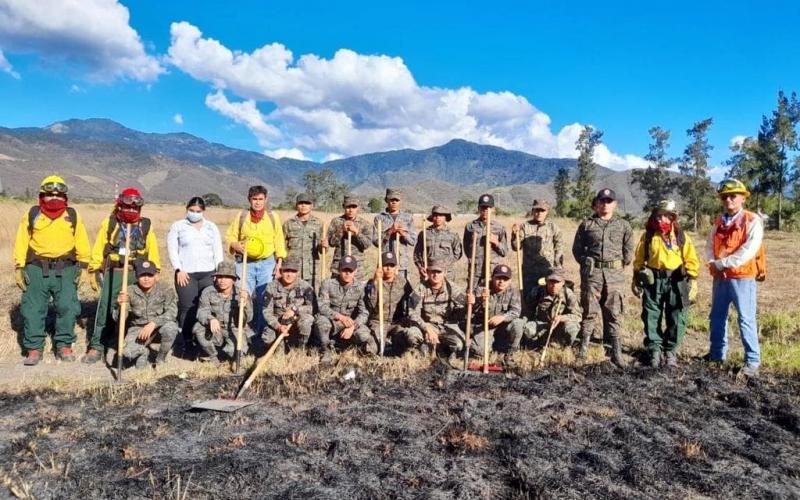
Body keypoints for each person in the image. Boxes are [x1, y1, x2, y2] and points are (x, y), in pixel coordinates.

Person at [13, 175, 91, 365]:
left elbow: (81, 241)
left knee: (67, 307)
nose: (54, 198)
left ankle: (64, 345)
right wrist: (19, 266)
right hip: (36, 268)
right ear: (41, 196)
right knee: (33, 309)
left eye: (58, 195)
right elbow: (22, 241)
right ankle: (34, 348)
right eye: (49, 194)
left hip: (66, 269)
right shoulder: (32, 214)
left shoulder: (72, 215)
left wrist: (84, 266)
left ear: (65, 197)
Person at [86, 187, 160, 364]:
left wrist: (156, 273)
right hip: (114, 272)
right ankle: (96, 346)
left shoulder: (145, 226)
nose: (131, 210)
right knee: (105, 309)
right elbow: (98, 248)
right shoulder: (110, 223)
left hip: (137, 274)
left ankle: (127, 342)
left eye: (135, 208)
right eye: (127, 207)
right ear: (120, 206)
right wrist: (93, 269)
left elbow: (153, 251)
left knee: (133, 310)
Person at [706, 179, 766, 377]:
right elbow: (709, 245)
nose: (728, 200)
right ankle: (716, 356)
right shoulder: (718, 221)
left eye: (733, 196)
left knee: (746, 319)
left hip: (742, 277)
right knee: (717, 317)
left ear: (742, 197)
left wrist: (722, 263)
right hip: (720, 278)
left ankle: (752, 362)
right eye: (725, 197)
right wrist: (712, 262)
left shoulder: (752, 220)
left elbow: (749, 250)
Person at [631, 200, 700, 368]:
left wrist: (693, 280)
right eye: (659, 215)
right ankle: (655, 350)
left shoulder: (681, 237)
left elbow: (691, 259)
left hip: (677, 280)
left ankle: (670, 351)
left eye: (666, 216)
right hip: (653, 279)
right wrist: (635, 278)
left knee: (677, 316)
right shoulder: (648, 236)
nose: (662, 219)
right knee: (651, 315)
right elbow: (639, 259)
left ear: (673, 217)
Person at [572, 188, 634, 367]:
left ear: (614, 204)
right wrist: (586, 262)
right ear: (597, 203)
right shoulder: (587, 225)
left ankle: (616, 353)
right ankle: (583, 350)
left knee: (614, 314)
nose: (605, 204)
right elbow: (577, 250)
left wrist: (618, 264)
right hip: (593, 276)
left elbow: (628, 252)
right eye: (602, 201)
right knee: (589, 312)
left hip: (615, 277)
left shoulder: (623, 226)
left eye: (609, 201)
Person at [224, 185, 287, 333]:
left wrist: (279, 263)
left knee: (264, 298)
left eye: (260, 199)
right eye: (254, 199)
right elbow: (230, 236)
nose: (257, 202)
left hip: (267, 263)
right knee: (242, 297)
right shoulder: (241, 216)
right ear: (249, 200)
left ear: (265, 200)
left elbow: (279, 239)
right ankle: (241, 330)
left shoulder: (273, 217)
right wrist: (235, 245)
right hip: (245, 263)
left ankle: (261, 330)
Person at [167, 196, 223, 355]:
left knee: (207, 306)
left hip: (209, 273)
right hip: (186, 274)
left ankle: (205, 339)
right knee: (187, 307)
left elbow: (218, 251)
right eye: (191, 210)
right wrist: (178, 269)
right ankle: (187, 341)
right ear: (187, 209)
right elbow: (172, 249)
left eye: (198, 211)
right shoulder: (178, 226)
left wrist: (218, 273)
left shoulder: (211, 227)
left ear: (203, 211)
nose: (194, 213)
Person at [114, 260, 178, 369]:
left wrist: (154, 323)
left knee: (171, 328)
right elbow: (118, 318)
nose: (146, 278)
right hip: (138, 329)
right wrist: (121, 306)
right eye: (142, 275)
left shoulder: (166, 289)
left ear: (156, 276)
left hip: (158, 328)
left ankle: (160, 359)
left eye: (150, 275)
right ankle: (143, 352)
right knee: (126, 354)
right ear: (136, 276)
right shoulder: (129, 291)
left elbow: (172, 312)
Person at [193, 261, 254, 365]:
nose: (222, 280)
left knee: (234, 353)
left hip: (234, 329)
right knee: (198, 327)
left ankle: (225, 354)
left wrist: (246, 303)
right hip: (216, 329)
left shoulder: (242, 294)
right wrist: (211, 319)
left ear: (234, 280)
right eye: (220, 277)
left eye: (227, 277)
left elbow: (249, 318)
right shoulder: (208, 292)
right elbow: (201, 312)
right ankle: (213, 357)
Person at [405, 259, 467, 361]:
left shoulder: (452, 288)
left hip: (446, 326)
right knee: (412, 335)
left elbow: (466, 305)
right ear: (427, 272)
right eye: (433, 272)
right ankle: (423, 349)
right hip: (427, 325)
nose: (436, 275)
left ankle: (443, 349)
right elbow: (412, 312)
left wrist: (472, 301)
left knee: (459, 344)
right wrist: (427, 328)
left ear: (445, 273)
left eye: (439, 272)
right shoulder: (420, 289)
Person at [314, 256, 371, 364]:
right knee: (321, 322)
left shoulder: (360, 287)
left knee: (364, 335)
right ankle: (326, 350)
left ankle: (347, 346)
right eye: (345, 270)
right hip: (333, 322)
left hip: (350, 324)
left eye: (350, 271)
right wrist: (339, 317)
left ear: (355, 271)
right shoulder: (327, 284)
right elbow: (322, 307)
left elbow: (364, 313)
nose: (347, 273)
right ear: (339, 270)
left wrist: (353, 326)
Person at [466, 264, 525, 366]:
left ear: (509, 281)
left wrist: (503, 317)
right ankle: (493, 345)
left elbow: (515, 312)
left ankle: (510, 353)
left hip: (504, 326)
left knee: (518, 324)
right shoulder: (482, 289)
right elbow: (471, 312)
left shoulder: (513, 291)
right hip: (485, 326)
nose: (501, 281)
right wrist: (480, 300)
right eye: (498, 278)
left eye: (505, 279)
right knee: (479, 351)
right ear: (492, 278)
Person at [510, 199, 564, 301]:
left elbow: (559, 248)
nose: (539, 213)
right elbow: (516, 247)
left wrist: (557, 269)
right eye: (536, 210)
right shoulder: (525, 227)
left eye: (542, 211)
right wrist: (514, 235)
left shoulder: (553, 228)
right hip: (528, 271)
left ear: (547, 212)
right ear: (532, 211)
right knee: (528, 298)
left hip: (546, 270)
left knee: (545, 298)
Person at [364, 251, 414, 355]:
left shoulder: (403, 282)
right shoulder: (372, 283)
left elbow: (413, 300)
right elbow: (370, 304)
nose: (389, 269)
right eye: (386, 265)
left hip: (397, 322)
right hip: (378, 322)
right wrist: (375, 282)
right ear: (380, 267)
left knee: (405, 344)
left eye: (392, 265)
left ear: (396, 267)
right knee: (372, 349)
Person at [262, 257, 316, 350]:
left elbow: (313, 308)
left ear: (298, 273)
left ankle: (301, 348)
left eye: (293, 271)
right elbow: (266, 312)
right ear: (280, 271)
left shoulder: (306, 287)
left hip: (297, 321)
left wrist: (295, 310)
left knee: (306, 321)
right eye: (286, 271)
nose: (289, 275)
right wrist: (278, 326)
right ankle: (280, 348)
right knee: (267, 338)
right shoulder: (271, 287)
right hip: (279, 322)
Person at [522, 269, 582, 349]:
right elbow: (528, 311)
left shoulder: (568, 294)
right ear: (546, 281)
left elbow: (578, 316)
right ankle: (536, 345)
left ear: (563, 282)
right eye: (551, 281)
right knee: (528, 329)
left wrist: (561, 318)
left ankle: (566, 346)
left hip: (560, 327)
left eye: (557, 282)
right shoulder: (537, 291)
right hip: (543, 325)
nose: (554, 285)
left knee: (572, 328)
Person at [323, 195, 373, 280]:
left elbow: (367, 245)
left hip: (357, 268)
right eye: (348, 207)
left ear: (358, 208)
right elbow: (331, 242)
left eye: (353, 207)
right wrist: (341, 231)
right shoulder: (336, 221)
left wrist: (356, 232)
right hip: (338, 267)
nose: (351, 210)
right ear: (343, 207)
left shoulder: (365, 224)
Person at [463, 194, 508, 286]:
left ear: (493, 209)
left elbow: (505, 252)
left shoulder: (499, 228)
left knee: (490, 297)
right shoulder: (470, 226)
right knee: (473, 297)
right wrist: (473, 259)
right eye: (483, 208)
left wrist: (496, 243)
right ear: (478, 208)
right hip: (475, 272)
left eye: (488, 208)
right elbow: (467, 248)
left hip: (492, 271)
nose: (485, 211)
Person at [373, 188, 417, 280]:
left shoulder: (408, 218)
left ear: (400, 201)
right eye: (391, 200)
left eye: (396, 200)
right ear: (386, 200)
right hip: (385, 264)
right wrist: (390, 231)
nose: (394, 202)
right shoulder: (379, 218)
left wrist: (402, 233)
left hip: (401, 265)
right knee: (384, 291)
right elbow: (376, 242)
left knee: (402, 292)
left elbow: (413, 241)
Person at [282, 192, 323, 290]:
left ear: (312, 206)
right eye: (301, 203)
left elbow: (323, 250)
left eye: (307, 203)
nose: (303, 205)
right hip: (293, 269)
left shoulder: (319, 224)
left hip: (312, 270)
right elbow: (282, 246)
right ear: (296, 205)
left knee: (313, 297)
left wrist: (324, 246)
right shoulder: (288, 224)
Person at [414, 205, 463, 282]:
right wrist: (421, 267)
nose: (437, 218)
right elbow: (417, 253)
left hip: (446, 273)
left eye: (440, 215)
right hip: (429, 272)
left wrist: (446, 265)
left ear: (445, 217)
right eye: (435, 215)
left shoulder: (453, 234)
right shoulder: (424, 233)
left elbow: (458, 253)